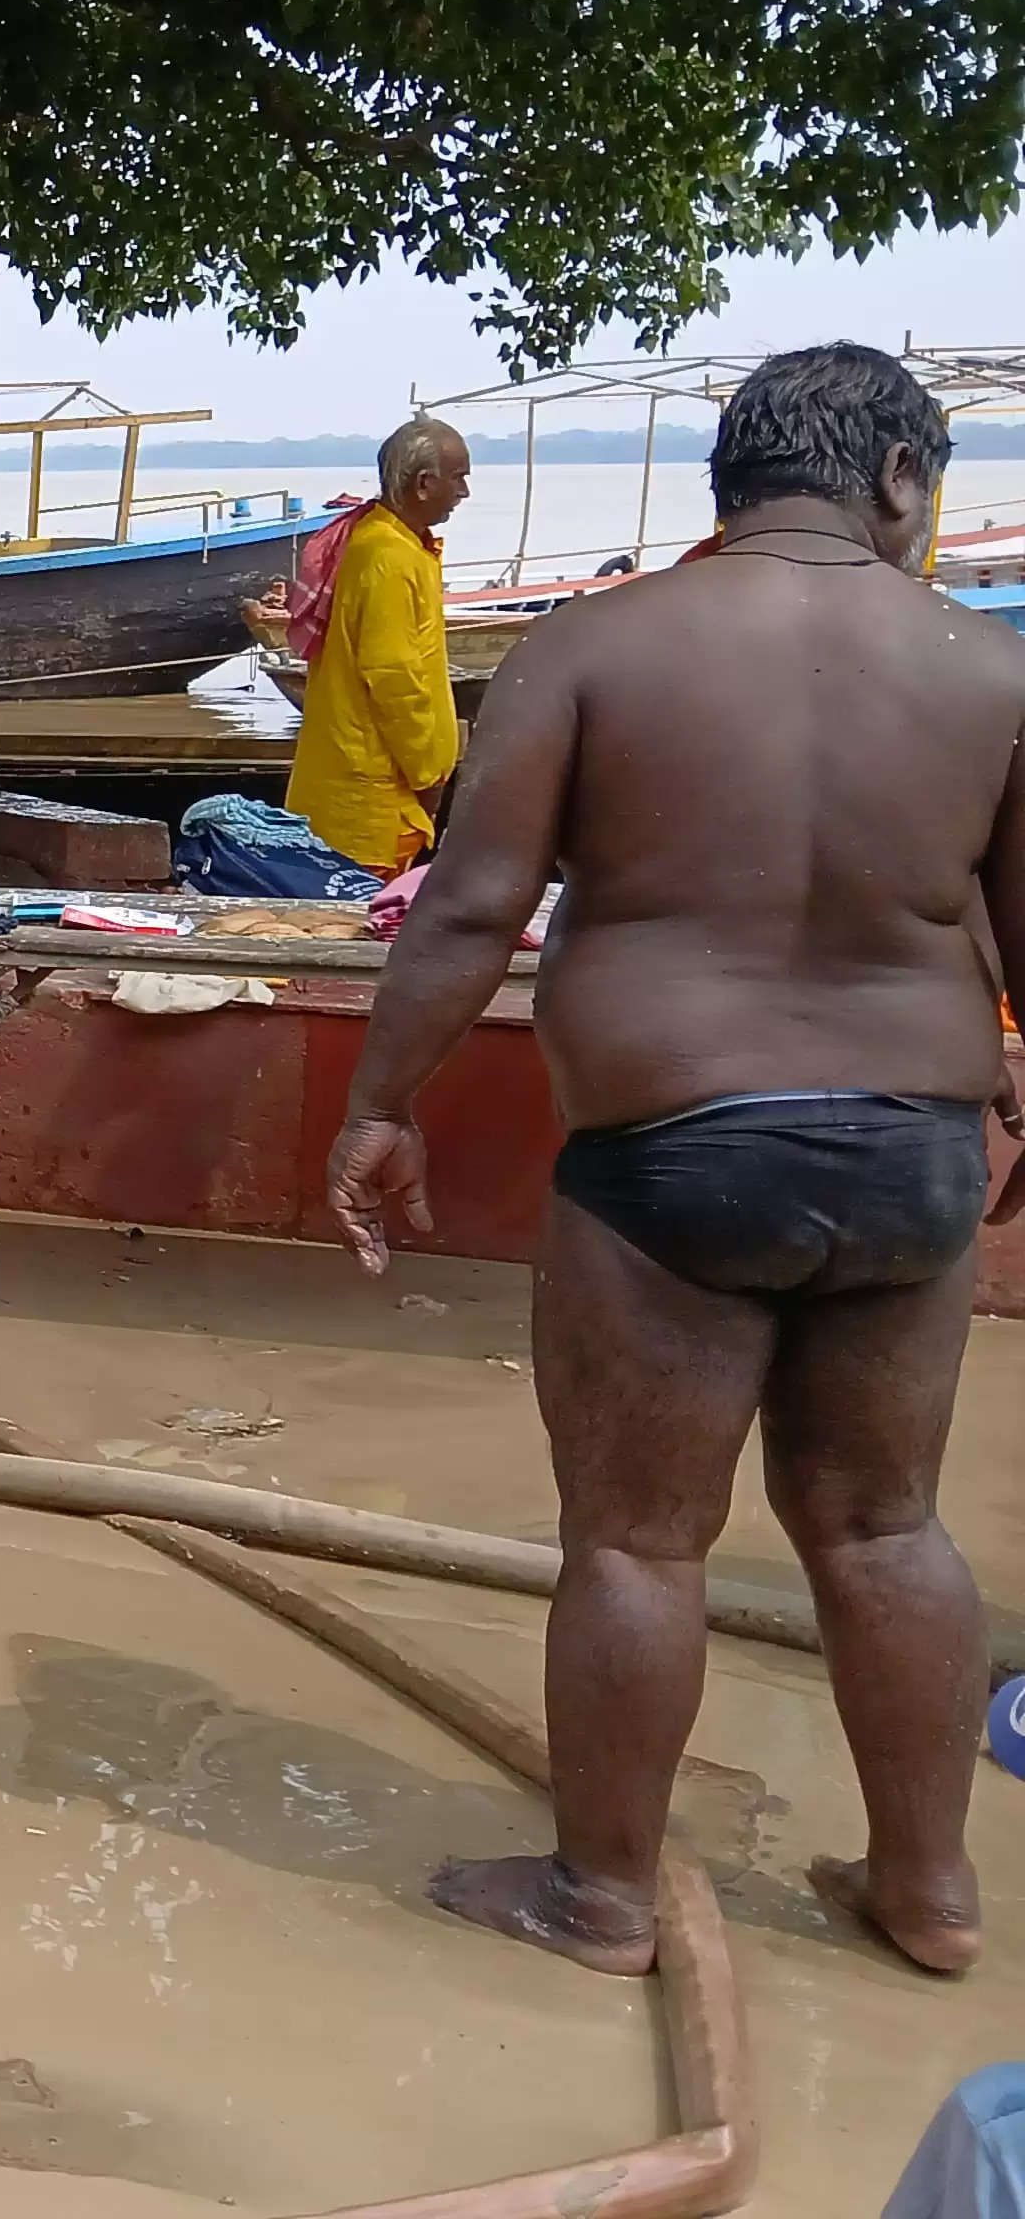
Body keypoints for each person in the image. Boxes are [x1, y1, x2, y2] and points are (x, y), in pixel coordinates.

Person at [326, 343, 1024, 1980]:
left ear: (729, 484)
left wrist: (381, 1105)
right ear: (903, 485)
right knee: (883, 1527)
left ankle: (603, 1897)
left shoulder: (592, 648)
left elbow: (473, 909)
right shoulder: (986, 671)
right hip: (913, 1151)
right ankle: (927, 1895)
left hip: (668, 1150)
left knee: (640, 1539)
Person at [285, 419, 474, 875]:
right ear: (424, 484)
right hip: (373, 797)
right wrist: (430, 773)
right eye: (459, 477)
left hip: (369, 787)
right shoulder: (387, 555)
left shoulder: (394, 543)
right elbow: (395, 681)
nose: (465, 491)